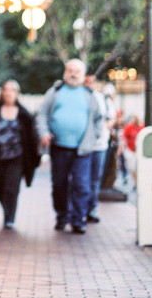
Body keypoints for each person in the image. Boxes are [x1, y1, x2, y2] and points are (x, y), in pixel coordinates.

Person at [37, 58, 104, 234]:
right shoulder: (55, 92)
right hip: (59, 146)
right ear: (65, 72)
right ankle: (62, 216)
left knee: (82, 185)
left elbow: (99, 120)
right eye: (70, 70)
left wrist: (93, 136)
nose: (73, 74)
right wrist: (44, 132)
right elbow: (42, 113)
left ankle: (78, 219)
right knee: (59, 184)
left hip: (83, 149)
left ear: (83, 75)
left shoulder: (89, 95)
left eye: (77, 71)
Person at [0, 79, 40, 229]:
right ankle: (7, 210)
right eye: (5, 89)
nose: (8, 93)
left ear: (17, 94)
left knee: (11, 187)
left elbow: (32, 137)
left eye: (12, 90)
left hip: (17, 156)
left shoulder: (24, 115)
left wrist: (35, 156)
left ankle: (9, 217)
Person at [85, 77, 114, 223]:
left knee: (95, 179)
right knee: (81, 179)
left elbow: (111, 118)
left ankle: (91, 209)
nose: (89, 84)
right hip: (83, 145)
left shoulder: (102, 99)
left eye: (91, 82)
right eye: (86, 82)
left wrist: (105, 126)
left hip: (100, 145)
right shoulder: (81, 96)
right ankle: (79, 209)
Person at [119, 114, 144, 188]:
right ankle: (135, 182)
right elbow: (123, 139)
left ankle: (138, 181)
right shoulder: (129, 127)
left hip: (139, 151)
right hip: (130, 150)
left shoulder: (142, 127)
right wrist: (120, 149)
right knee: (132, 167)